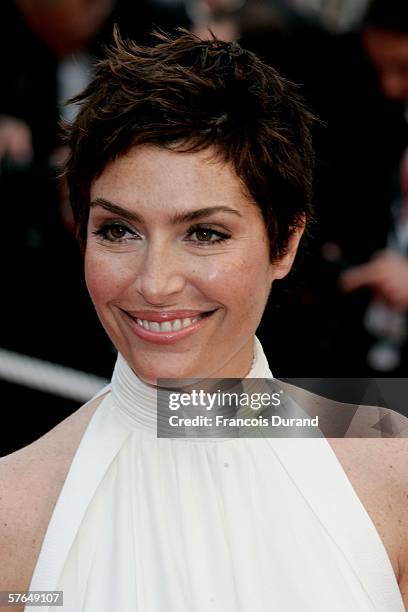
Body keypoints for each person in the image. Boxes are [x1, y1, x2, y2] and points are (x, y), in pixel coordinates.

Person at [0, 30, 407, 612]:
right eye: (119, 230)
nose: (155, 282)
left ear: (285, 241)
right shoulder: (12, 518)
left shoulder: (390, 467)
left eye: (205, 233)